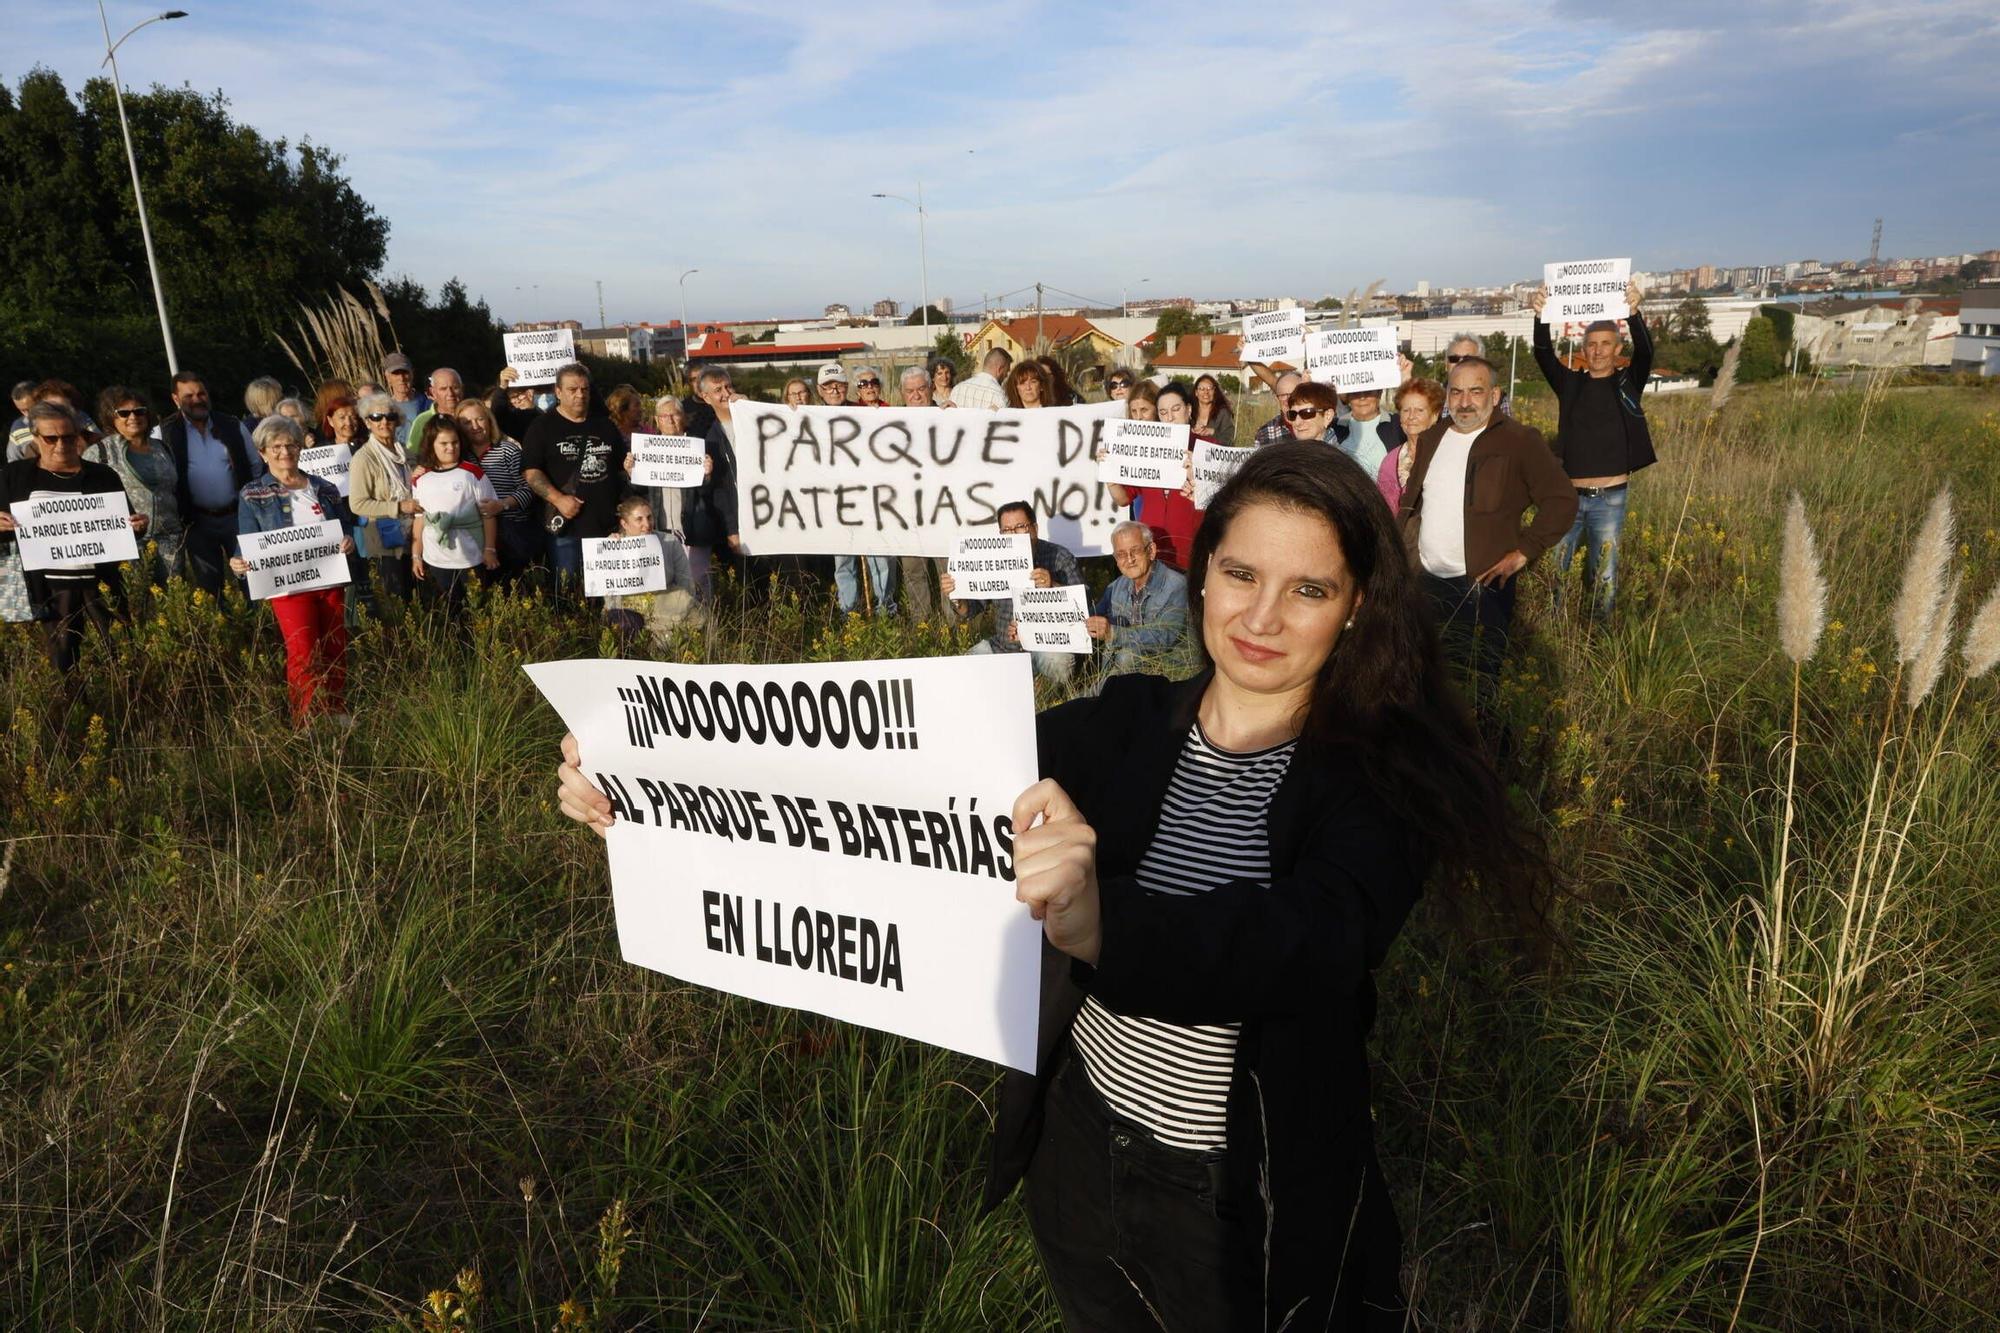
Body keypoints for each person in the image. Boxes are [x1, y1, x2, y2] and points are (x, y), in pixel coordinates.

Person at [554, 441, 1555, 1329]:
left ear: (1358, 605)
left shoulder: (1380, 777)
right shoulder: (1122, 721)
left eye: (1306, 590)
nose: (1259, 615)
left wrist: (1099, 921)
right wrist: (651, 774)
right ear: (1198, 572)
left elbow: (1305, 939)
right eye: (1240, 572)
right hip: (1078, 1153)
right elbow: (904, 776)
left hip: (1243, 1192)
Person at [1399, 356, 1575, 695]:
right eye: (1456, 392)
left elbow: (1562, 500)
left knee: (1478, 683)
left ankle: (1482, 744)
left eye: (1475, 392)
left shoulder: (1519, 440)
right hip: (1425, 582)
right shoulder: (1433, 436)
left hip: (1482, 588)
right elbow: (1414, 501)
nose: (1464, 402)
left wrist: (1524, 552)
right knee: (1426, 678)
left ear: (1494, 396)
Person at [1530, 276, 1654, 620]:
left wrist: (1634, 313)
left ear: (1618, 349)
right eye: (1592, 344)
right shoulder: (1570, 384)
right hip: (1568, 498)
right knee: (1558, 574)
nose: (1597, 350)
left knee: (1604, 576)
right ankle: (1556, 633)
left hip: (1610, 499)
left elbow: (1646, 352)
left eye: (1605, 344)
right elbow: (1543, 355)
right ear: (1583, 348)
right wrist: (1540, 317)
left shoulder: (1628, 383)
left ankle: (1599, 637)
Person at [228, 414, 354, 723]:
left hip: (328, 580)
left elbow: (344, 526)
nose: (285, 452)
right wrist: (237, 563)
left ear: (300, 449)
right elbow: (246, 541)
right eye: (277, 447)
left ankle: (335, 710)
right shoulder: (252, 494)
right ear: (262, 452)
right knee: (303, 650)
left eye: (292, 445)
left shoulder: (324, 487)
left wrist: (347, 540)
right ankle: (307, 718)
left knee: (335, 647)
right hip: (287, 588)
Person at [0, 402, 144, 671]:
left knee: (122, 653)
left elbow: (127, 525)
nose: (60, 444)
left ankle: (129, 705)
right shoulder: (14, 476)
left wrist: (138, 525)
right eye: (50, 438)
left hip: (102, 583)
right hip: (51, 590)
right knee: (63, 661)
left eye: (68, 437)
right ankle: (72, 707)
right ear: (35, 437)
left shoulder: (102, 475)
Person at [939, 501, 1082, 684]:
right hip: (1004, 648)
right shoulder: (993, 559)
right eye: (1007, 530)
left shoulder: (1060, 557)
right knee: (965, 667)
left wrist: (1052, 585)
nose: (1013, 534)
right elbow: (972, 609)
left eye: (1020, 527)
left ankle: (1049, 703)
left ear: (1035, 529)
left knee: (1058, 661)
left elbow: (1083, 605)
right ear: (1000, 534)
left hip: (1046, 646)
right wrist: (957, 597)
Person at [522, 362, 630, 587]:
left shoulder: (606, 426)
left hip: (607, 526)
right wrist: (558, 499)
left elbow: (621, 468)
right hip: (567, 529)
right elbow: (531, 472)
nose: (580, 395)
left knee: (607, 592)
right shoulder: (541, 427)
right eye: (572, 389)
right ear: (558, 392)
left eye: (585, 389)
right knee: (568, 590)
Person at [160, 370, 260, 594]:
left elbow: (255, 465)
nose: (197, 400)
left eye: (201, 394)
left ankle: (261, 627)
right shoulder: (165, 433)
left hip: (238, 516)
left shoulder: (232, 425)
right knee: (209, 585)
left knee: (252, 578)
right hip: (196, 521)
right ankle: (223, 627)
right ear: (175, 399)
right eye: (189, 396)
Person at [409, 415, 499, 620]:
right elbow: (420, 518)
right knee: (450, 612)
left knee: (477, 611)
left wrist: (490, 549)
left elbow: (489, 515)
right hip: (437, 558)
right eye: (443, 443)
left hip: (470, 555)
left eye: (455, 442)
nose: (450, 448)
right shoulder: (421, 478)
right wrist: (416, 555)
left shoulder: (472, 473)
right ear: (431, 445)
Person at [94, 385, 184, 584]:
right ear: (111, 417)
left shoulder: (162, 448)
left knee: (175, 601)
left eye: (139, 411)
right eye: (124, 413)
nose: (133, 417)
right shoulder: (99, 452)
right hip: (127, 542)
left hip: (169, 539)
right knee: (135, 601)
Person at [1114, 383, 1205, 569]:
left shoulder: (1207, 447)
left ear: (1188, 410)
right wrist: (1109, 473)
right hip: (1151, 556)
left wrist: (1199, 476)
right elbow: (1123, 499)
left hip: (1191, 554)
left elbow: (1223, 505)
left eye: (1176, 409)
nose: (1170, 417)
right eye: (1163, 412)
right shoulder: (1144, 452)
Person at [1086, 520, 1190, 683]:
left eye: (1135, 551)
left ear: (1151, 551)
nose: (1129, 559)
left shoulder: (1177, 586)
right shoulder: (1115, 587)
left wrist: (1113, 633)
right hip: (1118, 671)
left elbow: (1164, 637)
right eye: (1121, 554)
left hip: (1168, 672)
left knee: (1127, 657)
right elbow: (1091, 616)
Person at [601, 494, 703, 645]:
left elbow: (685, 581)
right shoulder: (614, 545)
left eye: (649, 517)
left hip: (667, 604)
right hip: (629, 607)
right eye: (639, 519)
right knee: (625, 624)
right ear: (625, 524)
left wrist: (683, 606)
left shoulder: (669, 542)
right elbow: (609, 595)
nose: (647, 524)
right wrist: (608, 551)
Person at [453, 396, 535, 581]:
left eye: (480, 419)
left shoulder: (508, 451)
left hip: (512, 529)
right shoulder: (460, 457)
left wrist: (502, 504)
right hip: (476, 531)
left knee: (515, 585)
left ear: (489, 421)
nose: (475, 426)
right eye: (467, 422)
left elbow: (529, 489)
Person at [348, 391, 419, 602]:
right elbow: (358, 504)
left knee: (421, 600)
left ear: (398, 421)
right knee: (397, 603)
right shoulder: (364, 458)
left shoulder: (406, 454)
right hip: (385, 543)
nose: (383, 422)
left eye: (389, 416)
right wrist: (398, 507)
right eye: (376, 417)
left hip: (414, 537)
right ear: (367, 422)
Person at [681, 367, 743, 599]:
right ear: (705, 397)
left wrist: (750, 407)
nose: (726, 393)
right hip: (733, 520)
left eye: (729, 386)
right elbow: (717, 490)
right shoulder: (706, 437)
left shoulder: (751, 419)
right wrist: (732, 528)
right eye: (718, 390)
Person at [1376, 378, 1444, 514]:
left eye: (1419, 410)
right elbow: (1385, 512)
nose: (1411, 416)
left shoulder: (1447, 453)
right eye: (1406, 410)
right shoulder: (1390, 461)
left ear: (1435, 415)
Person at [1334, 387, 1404, 479]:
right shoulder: (1333, 427)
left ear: (1379, 393)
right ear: (1348, 397)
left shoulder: (1399, 424)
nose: (1362, 398)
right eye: (1356, 392)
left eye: (1368, 391)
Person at [403, 368, 467, 459]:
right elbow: (413, 455)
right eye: (443, 389)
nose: (450, 393)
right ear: (433, 392)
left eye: (455, 387)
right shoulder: (422, 421)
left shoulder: (472, 416)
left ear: (462, 389)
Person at [382, 352, 430, 446]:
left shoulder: (427, 405)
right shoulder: (383, 408)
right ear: (387, 377)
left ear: (412, 373)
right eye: (396, 373)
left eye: (405, 372)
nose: (401, 378)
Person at [1250, 370, 1303, 446]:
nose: (1288, 400)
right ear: (1276, 399)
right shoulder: (1264, 433)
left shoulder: (1318, 426)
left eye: (1293, 394)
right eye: (1283, 395)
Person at [1282, 381, 1342, 445]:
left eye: (1306, 413)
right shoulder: (1288, 453)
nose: (1297, 422)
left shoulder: (1340, 454)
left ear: (1328, 416)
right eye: (1292, 414)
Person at [952, 347, 1012, 411]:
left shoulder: (957, 389)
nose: (1006, 375)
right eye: (1007, 371)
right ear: (1000, 369)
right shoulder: (1000, 395)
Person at [1191, 373, 1235, 445]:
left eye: (1209, 388)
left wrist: (1212, 432)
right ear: (1196, 392)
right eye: (1202, 389)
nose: (1206, 392)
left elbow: (1229, 440)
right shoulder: (1189, 411)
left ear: (1214, 391)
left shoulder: (1223, 413)